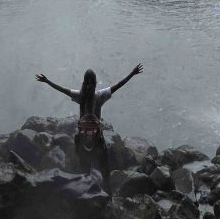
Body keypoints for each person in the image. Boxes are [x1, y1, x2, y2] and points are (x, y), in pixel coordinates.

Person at [35, 63, 143, 198]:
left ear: (84, 82)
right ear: (94, 83)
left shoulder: (80, 96)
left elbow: (62, 89)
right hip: (97, 140)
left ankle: (86, 202)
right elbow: (118, 86)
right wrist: (132, 74)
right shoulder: (99, 96)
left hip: (82, 141)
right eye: (91, 82)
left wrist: (47, 81)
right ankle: (108, 199)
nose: (91, 85)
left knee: (85, 174)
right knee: (104, 172)